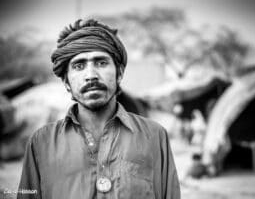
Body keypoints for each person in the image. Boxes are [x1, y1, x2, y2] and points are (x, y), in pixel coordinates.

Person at [17, 19, 180, 199]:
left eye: (101, 63)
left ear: (120, 73)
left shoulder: (154, 136)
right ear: (66, 81)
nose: (91, 75)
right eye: (79, 66)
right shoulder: (41, 142)